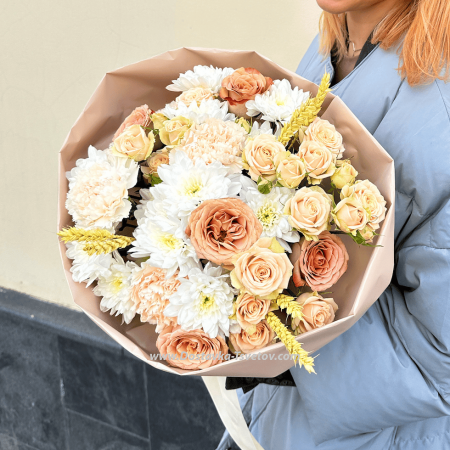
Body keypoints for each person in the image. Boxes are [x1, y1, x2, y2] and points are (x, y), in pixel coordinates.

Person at [218, 0, 450, 448]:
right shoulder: (336, 46)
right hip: (279, 421)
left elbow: (439, 355)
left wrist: (268, 322)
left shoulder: (440, 99)